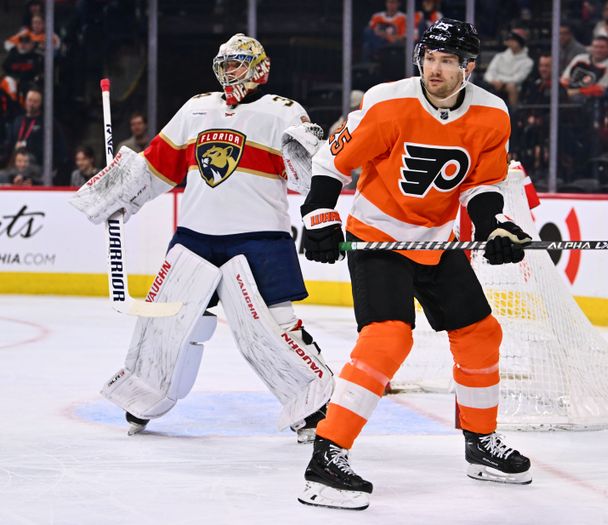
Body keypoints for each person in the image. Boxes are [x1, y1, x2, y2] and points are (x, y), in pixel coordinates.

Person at [296, 18, 533, 511]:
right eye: (430, 58)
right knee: (388, 337)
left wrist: (495, 227)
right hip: (378, 239)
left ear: (468, 68)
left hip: (437, 243)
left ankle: (479, 442)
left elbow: (482, 186)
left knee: (481, 332)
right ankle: (327, 456)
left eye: (448, 61)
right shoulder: (388, 102)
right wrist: (319, 216)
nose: (435, 69)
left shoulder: (493, 115)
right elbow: (330, 163)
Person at [68, 34, 333, 442]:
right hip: (196, 237)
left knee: (274, 329)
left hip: (259, 238)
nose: (229, 72)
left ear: (259, 68)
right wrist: (116, 194)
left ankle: (311, 406)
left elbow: (306, 175)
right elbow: (158, 164)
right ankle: (144, 394)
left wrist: (307, 153)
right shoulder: (196, 109)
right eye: (224, 64)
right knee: (167, 324)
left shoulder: (282, 111)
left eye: (237, 64)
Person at [482, 28, 533, 108]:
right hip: (494, 84)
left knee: (511, 86)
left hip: (514, 88)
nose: (510, 42)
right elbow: (489, 73)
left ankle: (514, 113)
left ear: (520, 42)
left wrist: (501, 81)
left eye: (513, 40)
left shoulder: (527, 61)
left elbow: (518, 78)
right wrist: (494, 81)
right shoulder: (499, 56)